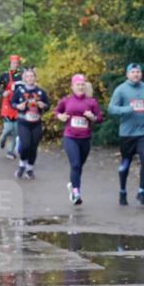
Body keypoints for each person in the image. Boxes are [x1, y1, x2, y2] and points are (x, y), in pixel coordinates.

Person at [107, 63, 144, 206]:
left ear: (141, 74)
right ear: (127, 75)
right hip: (127, 134)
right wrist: (127, 109)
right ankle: (122, 191)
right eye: (132, 72)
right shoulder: (121, 90)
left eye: (138, 72)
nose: (136, 74)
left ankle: (141, 191)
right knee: (125, 164)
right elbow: (111, 109)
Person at [55, 74, 104, 204]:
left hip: (85, 138)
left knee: (79, 166)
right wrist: (60, 117)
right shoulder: (66, 101)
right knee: (75, 164)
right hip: (70, 137)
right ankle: (76, 193)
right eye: (78, 84)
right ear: (72, 87)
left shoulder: (91, 102)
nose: (80, 87)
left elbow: (100, 118)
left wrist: (92, 117)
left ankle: (73, 185)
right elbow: (56, 112)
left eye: (82, 84)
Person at [11, 67, 49, 179]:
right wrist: (18, 106)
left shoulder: (41, 92)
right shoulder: (20, 91)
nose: (30, 78)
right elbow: (12, 102)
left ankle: (30, 168)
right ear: (24, 78)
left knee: (34, 146)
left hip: (36, 122)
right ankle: (22, 165)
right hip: (23, 122)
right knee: (26, 144)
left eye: (32, 76)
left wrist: (44, 105)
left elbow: (47, 106)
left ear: (35, 78)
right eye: (27, 76)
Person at [0, 54, 23, 159]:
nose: (15, 65)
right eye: (13, 63)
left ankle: (10, 151)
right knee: (8, 128)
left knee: (16, 130)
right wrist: (2, 92)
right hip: (7, 103)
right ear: (10, 64)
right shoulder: (5, 75)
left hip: (18, 103)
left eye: (17, 63)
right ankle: (2, 138)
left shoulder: (21, 75)